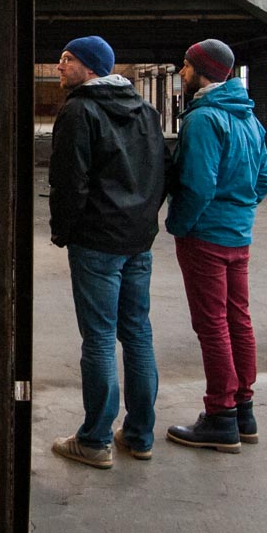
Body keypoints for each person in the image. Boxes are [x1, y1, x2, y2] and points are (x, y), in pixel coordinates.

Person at [48, 34, 167, 469]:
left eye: (67, 59)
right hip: (138, 241)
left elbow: (69, 182)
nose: (59, 66)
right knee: (137, 333)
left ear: (91, 67)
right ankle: (139, 435)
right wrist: (145, 221)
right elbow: (161, 172)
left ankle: (95, 440)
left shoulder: (79, 111)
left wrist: (65, 231)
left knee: (99, 339)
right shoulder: (145, 111)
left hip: (97, 241)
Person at [164, 38, 267, 454]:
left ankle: (220, 417)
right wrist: (239, 212)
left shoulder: (204, 119)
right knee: (237, 319)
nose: (182, 73)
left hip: (205, 235)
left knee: (212, 324)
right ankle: (244, 411)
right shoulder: (249, 118)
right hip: (238, 235)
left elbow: (197, 184)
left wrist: (181, 225)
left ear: (202, 71)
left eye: (186, 67)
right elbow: (263, 180)